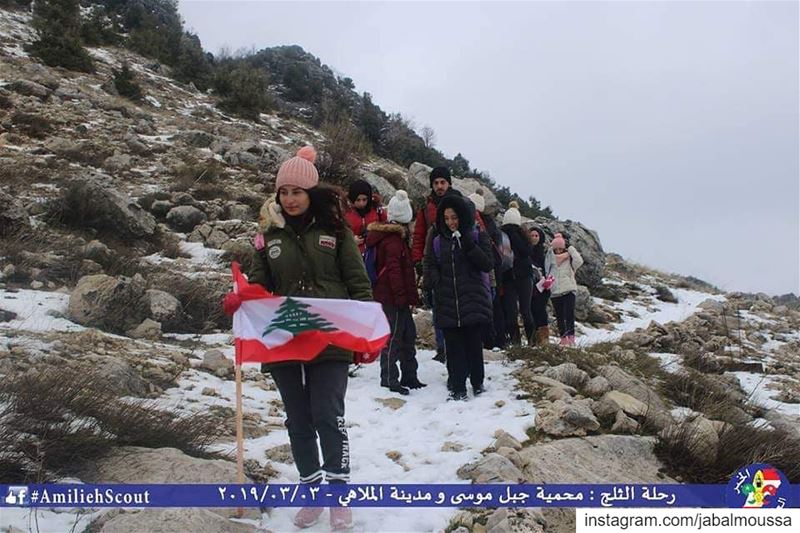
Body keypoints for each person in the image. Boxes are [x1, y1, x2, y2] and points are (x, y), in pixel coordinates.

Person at [247, 146, 370, 530]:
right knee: (297, 419)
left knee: (327, 415)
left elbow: (358, 283)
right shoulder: (268, 236)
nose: (289, 199)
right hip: (284, 337)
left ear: (311, 193)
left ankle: (338, 496)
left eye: (297, 192)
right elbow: (259, 284)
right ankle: (311, 491)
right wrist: (242, 296)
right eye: (283, 192)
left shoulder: (336, 230)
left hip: (331, 337)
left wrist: (363, 336)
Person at [423, 194, 493, 401]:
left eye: (454, 217)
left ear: (462, 216)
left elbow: (487, 264)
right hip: (447, 300)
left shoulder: (478, 235)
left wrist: (469, 245)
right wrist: (434, 283)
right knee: (453, 349)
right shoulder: (437, 240)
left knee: (473, 345)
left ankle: (477, 382)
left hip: (472, 299)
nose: (451, 222)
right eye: (446, 218)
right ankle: (458, 386)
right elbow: (429, 264)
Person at [365, 190, 425, 395]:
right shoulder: (393, 241)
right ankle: (389, 378)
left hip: (395, 297)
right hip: (391, 298)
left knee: (408, 335)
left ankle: (410, 375)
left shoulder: (392, 239)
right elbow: (394, 272)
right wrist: (402, 297)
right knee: (394, 337)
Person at [412, 166, 455, 364]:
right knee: (438, 307)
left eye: (442, 182)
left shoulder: (459, 203)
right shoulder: (424, 209)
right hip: (435, 263)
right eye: (436, 183)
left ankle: (457, 345)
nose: (439, 186)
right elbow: (419, 235)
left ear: (449, 183)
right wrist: (418, 261)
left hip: (456, 261)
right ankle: (442, 347)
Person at [469, 191, 507, 350]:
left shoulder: (478, 223)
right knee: (494, 305)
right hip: (495, 269)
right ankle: (499, 339)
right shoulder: (491, 223)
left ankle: (488, 340)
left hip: (485, 269)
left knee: (486, 305)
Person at [500, 201, 537, 345]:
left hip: (510, 277)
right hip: (522, 277)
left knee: (512, 312)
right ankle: (531, 342)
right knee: (525, 311)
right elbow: (528, 252)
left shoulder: (503, 235)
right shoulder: (522, 235)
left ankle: (517, 343)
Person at [545, 232, 584, 346]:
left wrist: (571, 248)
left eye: (560, 248)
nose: (558, 251)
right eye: (555, 249)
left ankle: (571, 338)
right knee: (560, 317)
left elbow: (579, 261)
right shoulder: (549, 258)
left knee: (569, 315)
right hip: (555, 292)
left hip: (568, 290)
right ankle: (563, 338)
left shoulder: (570, 259)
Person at [344, 178, 385, 254]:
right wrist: (350, 241)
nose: (361, 203)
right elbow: (337, 233)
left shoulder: (377, 210)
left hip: (374, 252)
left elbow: (386, 227)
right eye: (358, 200)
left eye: (364, 199)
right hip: (352, 253)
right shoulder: (344, 211)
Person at [528, 226, 551, 345]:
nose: (534, 238)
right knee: (530, 311)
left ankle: (544, 339)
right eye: (532, 235)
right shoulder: (526, 250)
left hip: (543, 288)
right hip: (530, 287)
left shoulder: (544, 252)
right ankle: (533, 340)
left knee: (540, 311)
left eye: (536, 236)